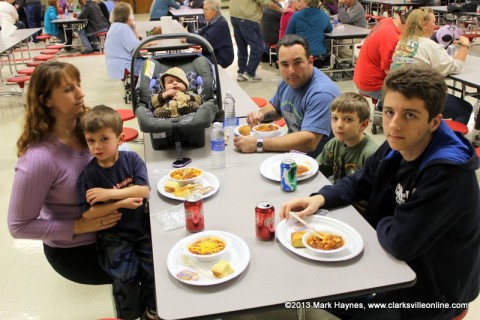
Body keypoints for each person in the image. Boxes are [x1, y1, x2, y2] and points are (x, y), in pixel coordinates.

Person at [280, 64, 480, 320]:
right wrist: (319, 198)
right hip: (393, 266)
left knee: (343, 302)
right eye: (388, 112)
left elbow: (400, 243)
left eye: (410, 115)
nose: (393, 125)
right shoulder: (397, 145)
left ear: (434, 121)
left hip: (433, 294)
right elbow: (360, 181)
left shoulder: (448, 174)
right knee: (314, 284)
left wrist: (385, 221)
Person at [8, 61, 120, 286]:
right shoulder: (39, 159)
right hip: (79, 250)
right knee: (154, 265)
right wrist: (79, 226)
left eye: (78, 85)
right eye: (69, 89)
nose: (81, 93)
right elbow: (18, 226)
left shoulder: (87, 130)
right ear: (46, 100)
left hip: (113, 231)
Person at [76, 105, 156, 320]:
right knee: (124, 276)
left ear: (120, 139)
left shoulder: (132, 161)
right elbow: (88, 214)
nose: (97, 146)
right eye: (91, 140)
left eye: (104, 139)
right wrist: (119, 203)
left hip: (141, 228)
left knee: (152, 269)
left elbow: (144, 190)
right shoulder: (89, 175)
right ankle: (129, 315)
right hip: (113, 235)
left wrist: (108, 193)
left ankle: (154, 309)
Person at [233, 34, 341, 158]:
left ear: (310, 61)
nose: (291, 71)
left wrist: (259, 144)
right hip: (294, 153)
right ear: (278, 64)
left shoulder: (322, 94)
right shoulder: (287, 82)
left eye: (297, 62)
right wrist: (261, 114)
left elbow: (310, 141)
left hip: (319, 163)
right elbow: (275, 107)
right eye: (285, 65)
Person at [391, 8, 472, 125]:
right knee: (465, 109)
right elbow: (456, 67)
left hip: (398, 95)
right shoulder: (430, 46)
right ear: (424, 24)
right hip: (419, 99)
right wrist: (465, 45)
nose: (435, 26)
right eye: (434, 22)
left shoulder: (402, 42)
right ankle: (450, 142)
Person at [316, 92, 377, 213]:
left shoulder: (370, 154)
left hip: (359, 213)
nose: (339, 125)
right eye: (335, 118)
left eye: (348, 119)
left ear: (363, 125)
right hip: (338, 200)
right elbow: (318, 171)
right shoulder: (334, 143)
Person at [353, 10, 411, 102]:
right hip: (374, 85)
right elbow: (390, 71)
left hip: (362, 78)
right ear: (409, 25)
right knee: (417, 94)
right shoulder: (392, 37)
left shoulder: (387, 21)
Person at [230, 0, 286, 82]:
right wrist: (282, 10)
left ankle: (241, 73)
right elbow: (266, 2)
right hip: (248, 19)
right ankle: (249, 72)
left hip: (234, 17)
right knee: (258, 47)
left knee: (241, 47)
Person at [104, 2, 151, 79]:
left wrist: (133, 26)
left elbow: (136, 40)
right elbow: (137, 46)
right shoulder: (123, 28)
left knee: (150, 62)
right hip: (127, 65)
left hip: (116, 64)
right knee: (155, 65)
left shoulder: (115, 26)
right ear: (128, 15)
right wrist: (149, 42)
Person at [284, 0, 333, 68]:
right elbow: (329, 29)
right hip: (319, 55)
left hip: (301, 55)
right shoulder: (323, 15)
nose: (299, 3)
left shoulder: (296, 15)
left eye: (300, 1)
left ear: (306, 3)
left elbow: (287, 35)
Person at [187, 0, 233, 68]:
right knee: (190, 55)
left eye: (206, 9)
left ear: (213, 12)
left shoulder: (220, 24)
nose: (203, 12)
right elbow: (201, 33)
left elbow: (204, 40)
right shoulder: (213, 21)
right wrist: (189, 36)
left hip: (221, 57)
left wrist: (187, 39)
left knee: (194, 60)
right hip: (213, 52)